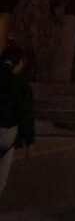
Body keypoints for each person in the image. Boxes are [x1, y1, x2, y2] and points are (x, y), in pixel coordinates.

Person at [1, 45, 35, 197]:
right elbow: (26, 114)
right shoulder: (21, 85)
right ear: (19, 62)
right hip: (6, 133)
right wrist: (30, 142)